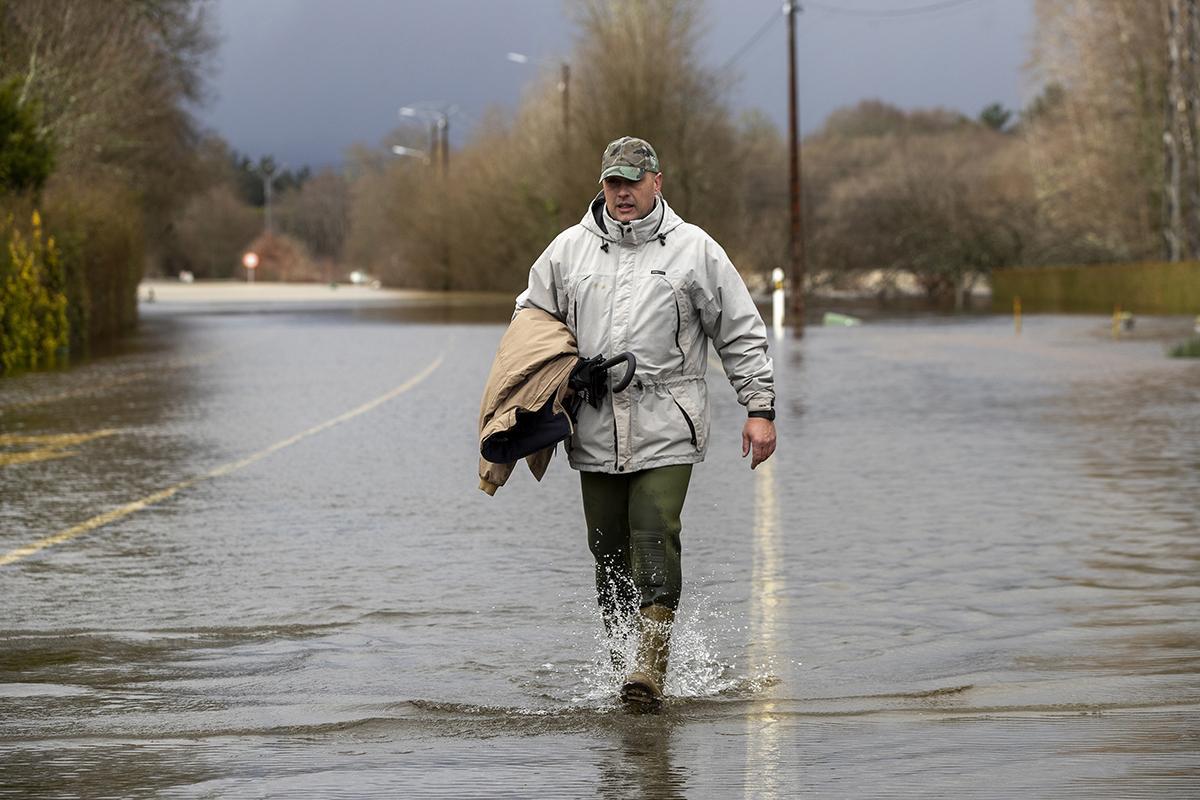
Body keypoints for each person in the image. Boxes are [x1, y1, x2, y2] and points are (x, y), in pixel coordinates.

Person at [515, 135, 776, 707]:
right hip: (594, 421)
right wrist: (561, 370)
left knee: (653, 531)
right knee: (606, 547)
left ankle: (649, 669)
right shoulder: (567, 252)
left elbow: (739, 329)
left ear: (659, 181)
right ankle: (620, 667)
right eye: (614, 182)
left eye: (634, 181)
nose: (623, 192)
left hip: (667, 416)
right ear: (601, 185)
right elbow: (530, 321)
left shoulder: (695, 250)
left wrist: (758, 408)